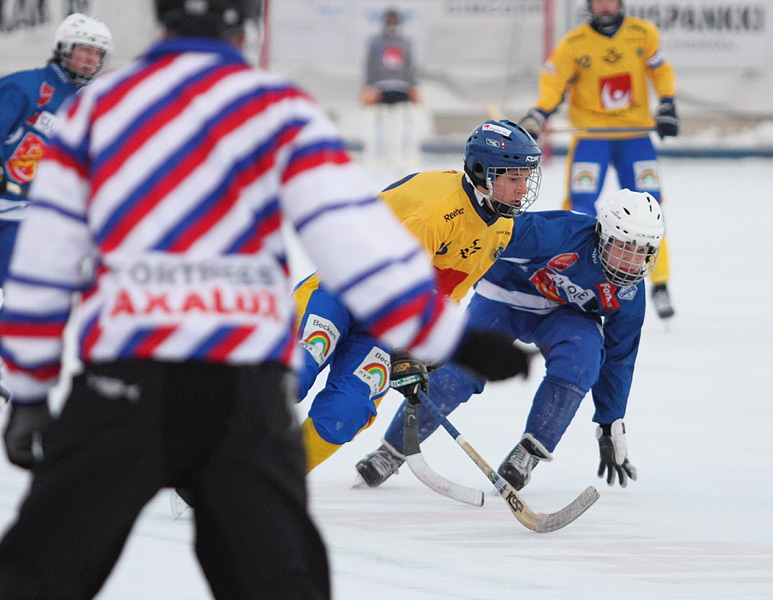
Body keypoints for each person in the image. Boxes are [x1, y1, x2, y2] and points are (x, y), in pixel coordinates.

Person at [0, 2, 527, 599]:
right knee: (282, 584)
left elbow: (42, 264)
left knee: (34, 577)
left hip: (123, 378)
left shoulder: (96, 106)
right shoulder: (281, 110)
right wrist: (453, 341)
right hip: (242, 390)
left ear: (161, 18)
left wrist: (30, 388)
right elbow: (359, 250)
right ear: (247, 26)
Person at [356, 189, 664, 491]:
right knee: (459, 372)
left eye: (642, 251)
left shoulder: (630, 295)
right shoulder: (560, 232)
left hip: (563, 315)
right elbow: (490, 233)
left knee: (582, 358)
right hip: (503, 298)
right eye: (624, 247)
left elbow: (619, 357)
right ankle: (392, 450)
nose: (631, 261)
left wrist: (610, 422)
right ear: (601, 234)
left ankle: (528, 454)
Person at [294, 119, 541, 473]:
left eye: (526, 179)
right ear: (483, 173)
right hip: (341, 295)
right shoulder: (435, 211)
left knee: (345, 413)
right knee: (294, 371)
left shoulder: (501, 227)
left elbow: (445, 294)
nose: (522, 189)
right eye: (513, 178)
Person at [518, 0, 679, 320]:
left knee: (652, 207)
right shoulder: (574, 44)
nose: (605, 5)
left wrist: (668, 104)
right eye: (598, 0)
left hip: (635, 138)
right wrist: (538, 114)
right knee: (580, 207)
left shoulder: (642, 34)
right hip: (591, 139)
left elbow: (660, 71)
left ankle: (659, 284)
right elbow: (553, 82)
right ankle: (580, 277)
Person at [0, 12, 112, 288]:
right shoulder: (25, 86)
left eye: (96, 54)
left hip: (23, 215)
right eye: (84, 50)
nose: (90, 60)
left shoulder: (89, 105)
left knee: (19, 292)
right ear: (64, 48)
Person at [360, 7, 419, 169]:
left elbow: (410, 66)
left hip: (400, 88)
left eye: (395, 22)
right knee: (377, 127)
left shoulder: (405, 42)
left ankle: (397, 159)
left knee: (399, 126)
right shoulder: (376, 41)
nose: (392, 25)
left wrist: (413, 87)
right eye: (389, 21)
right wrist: (367, 86)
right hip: (379, 88)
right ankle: (376, 160)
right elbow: (369, 66)